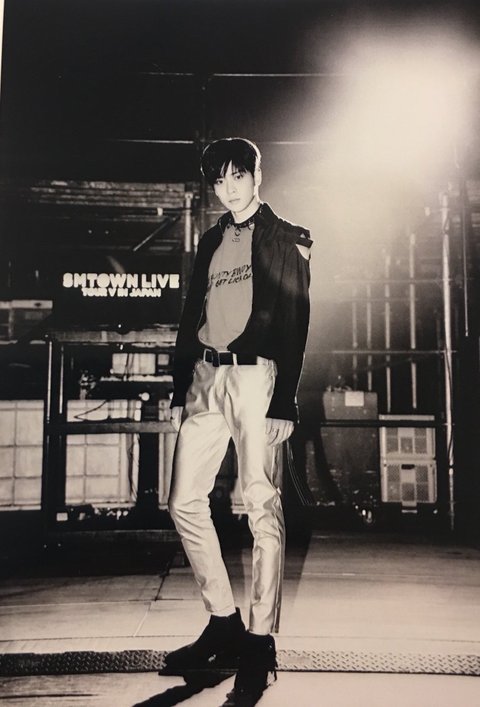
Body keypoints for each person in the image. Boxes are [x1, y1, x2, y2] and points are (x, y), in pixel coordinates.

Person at [165, 137, 312, 705]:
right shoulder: (210, 239)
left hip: (256, 378)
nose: (227, 189)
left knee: (260, 503)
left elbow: (296, 320)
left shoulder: (286, 237)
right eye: (219, 181)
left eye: (236, 177)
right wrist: (181, 385)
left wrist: (285, 402)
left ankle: (259, 640)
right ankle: (223, 621)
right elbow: (192, 313)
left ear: (256, 175)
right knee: (183, 501)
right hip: (206, 375)